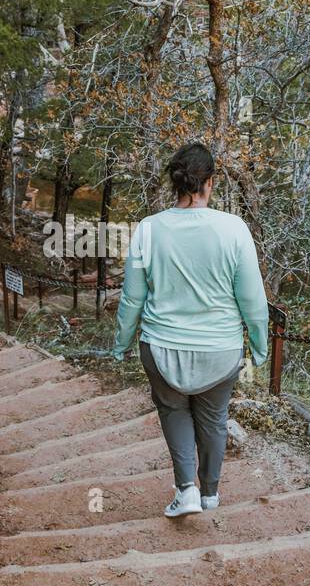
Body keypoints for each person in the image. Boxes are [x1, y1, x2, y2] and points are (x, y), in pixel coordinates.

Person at [112, 142, 269, 517]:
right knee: (215, 417)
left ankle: (187, 492)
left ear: (175, 182)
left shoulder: (149, 229)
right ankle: (211, 494)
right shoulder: (233, 228)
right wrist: (260, 347)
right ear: (210, 182)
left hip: (162, 347)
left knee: (174, 412)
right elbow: (253, 301)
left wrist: (120, 344)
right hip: (221, 349)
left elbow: (132, 299)